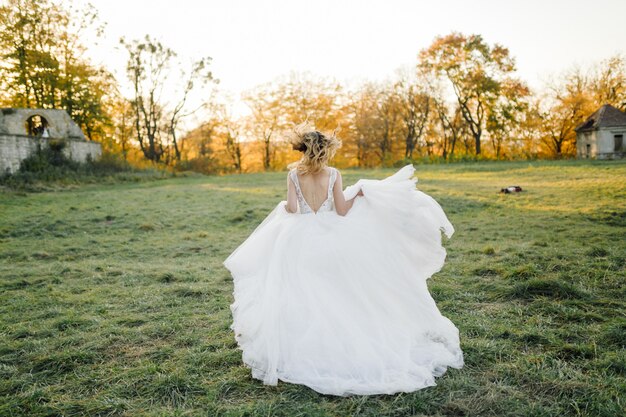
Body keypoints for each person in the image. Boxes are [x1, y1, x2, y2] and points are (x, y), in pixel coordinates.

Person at [223, 123, 464, 396]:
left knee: (302, 291)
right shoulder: (334, 174)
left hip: (298, 239)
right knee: (336, 290)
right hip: (330, 238)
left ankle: (306, 345)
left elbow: (292, 208)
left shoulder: (293, 175)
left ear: (303, 148)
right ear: (325, 150)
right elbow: (341, 210)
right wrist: (358, 194)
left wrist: (288, 208)